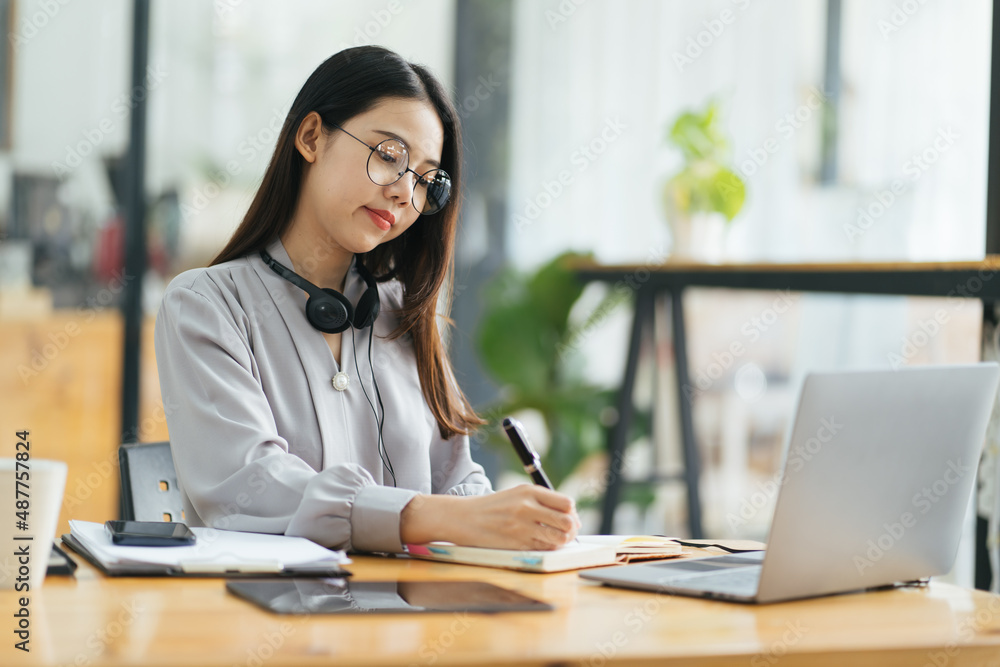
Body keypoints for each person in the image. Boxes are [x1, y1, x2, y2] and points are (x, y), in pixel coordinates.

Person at [154, 46, 580, 554]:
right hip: (267, 618)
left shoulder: (404, 313)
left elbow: (455, 479)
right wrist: (429, 515)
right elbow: (252, 485)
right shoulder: (205, 306)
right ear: (312, 137)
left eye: (426, 179)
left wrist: (505, 520)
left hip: (407, 618)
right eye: (389, 155)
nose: (405, 193)